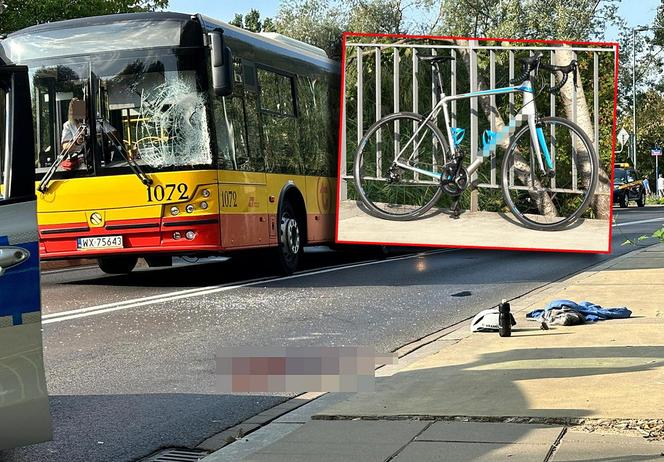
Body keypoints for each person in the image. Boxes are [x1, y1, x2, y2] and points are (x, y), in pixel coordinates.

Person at [60, 98, 87, 171]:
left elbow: (114, 133)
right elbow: (65, 146)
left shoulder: (96, 121)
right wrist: (76, 142)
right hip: (78, 163)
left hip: (99, 163)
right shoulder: (68, 125)